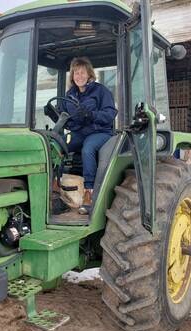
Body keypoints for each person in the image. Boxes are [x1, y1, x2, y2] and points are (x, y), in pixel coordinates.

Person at [61, 57, 117, 214]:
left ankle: (89, 193)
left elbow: (110, 114)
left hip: (100, 132)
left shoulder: (100, 91)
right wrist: (58, 116)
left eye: (82, 72)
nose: (79, 76)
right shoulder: (70, 94)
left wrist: (92, 114)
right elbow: (65, 115)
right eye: (76, 73)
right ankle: (55, 186)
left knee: (88, 149)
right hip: (79, 132)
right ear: (72, 76)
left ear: (89, 74)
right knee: (56, 145)